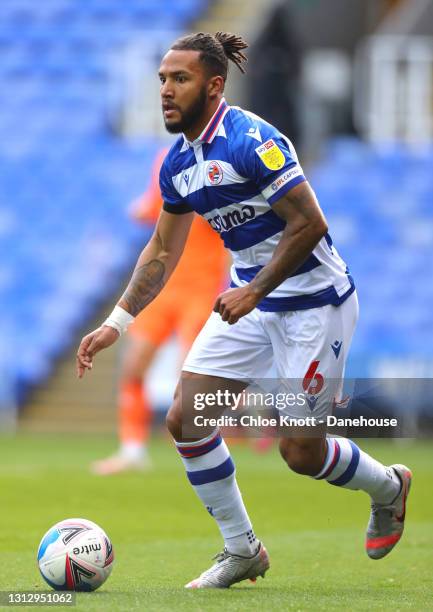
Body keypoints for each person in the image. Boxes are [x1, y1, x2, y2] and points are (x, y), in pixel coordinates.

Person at [76, 32, 412, 589]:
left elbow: (311, 223)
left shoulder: (253, 140)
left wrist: (254, 291)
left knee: (299, 452)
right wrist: (117, 323)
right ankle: (242, 550)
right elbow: (161, 250)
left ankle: (389, 488)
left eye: (178, 79)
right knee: (186, 418)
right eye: (162, 78)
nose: (165, 89)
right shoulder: (179, 162)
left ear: (213, 85)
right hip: (249, 303)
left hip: (312, 303)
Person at [91, 149, 227, 475]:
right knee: (134, 365)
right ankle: (132, 449)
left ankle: (209, 447)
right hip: (164, 285)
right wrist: (144, 209)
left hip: (203, 286)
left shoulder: (223, 157)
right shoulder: (167, 157)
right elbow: (158, 206)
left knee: (192, 377)